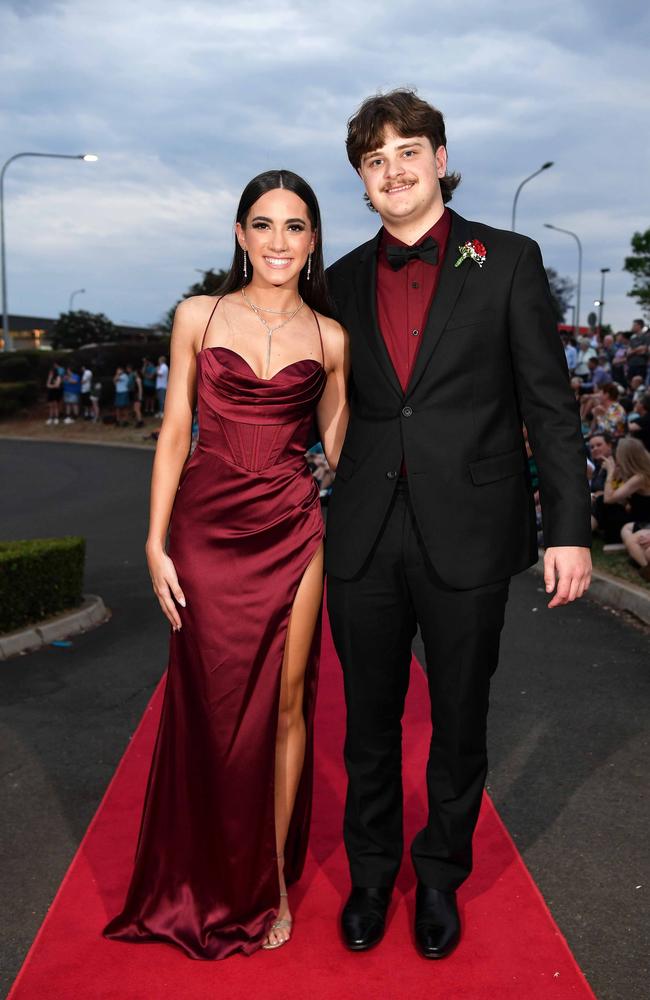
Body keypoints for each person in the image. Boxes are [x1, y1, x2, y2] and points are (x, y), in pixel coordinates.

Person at [324, 89, 592, 961]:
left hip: (472, 529)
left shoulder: (508, 260)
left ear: (440, 157)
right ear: (362, 182)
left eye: (407, 152)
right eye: (374, 161)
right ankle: (370, 876)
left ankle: (438, 875)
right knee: (366, 722)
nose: (392, 171)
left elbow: (549, 407)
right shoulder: (339, 281)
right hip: (361, 530)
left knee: (460, 719)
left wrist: (570, 529)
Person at [104, 170, 348, 958]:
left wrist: (325, 469)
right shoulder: (197, 316)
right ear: (240, 234)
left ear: (313, 242)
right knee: (209, 710)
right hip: (205, 531)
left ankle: (268, 880)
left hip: (293, 529)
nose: (280, 241)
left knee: (284, 708)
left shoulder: (332, 338)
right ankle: (196, 874)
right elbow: (175, 429)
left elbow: (342, 449)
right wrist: (154, 538)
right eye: (264, 224)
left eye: (296, 226)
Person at [603, 437, 650, 581]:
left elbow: (608, 498)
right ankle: (637, 555)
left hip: (647, 521)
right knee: (626, 529)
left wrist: (610, 473)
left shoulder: (640, 477)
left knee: (633, 541)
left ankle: (646, 570)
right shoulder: (643, 469)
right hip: (642, 519)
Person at [627, 319, 649, 384]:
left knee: (639, 384)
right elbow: (628, 352)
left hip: (641, 365)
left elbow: (644, 350)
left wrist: (633, 351)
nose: (632, 327)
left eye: (634, 325)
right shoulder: (632, 338)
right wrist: (638, 349)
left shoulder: (646, 337)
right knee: (630, 384)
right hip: (631, 365)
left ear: (639, 326)